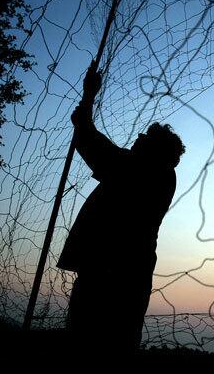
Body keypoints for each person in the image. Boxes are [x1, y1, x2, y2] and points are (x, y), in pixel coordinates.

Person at [57, 61, 185, 353]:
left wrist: (89, 94)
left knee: (89, 342)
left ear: (155, 151)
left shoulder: (144, 172)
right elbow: (91, 138)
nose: (137, 139)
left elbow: (87, 135)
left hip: (109, 279)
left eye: (145, 138)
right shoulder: (157, 175)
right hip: (126, 277)